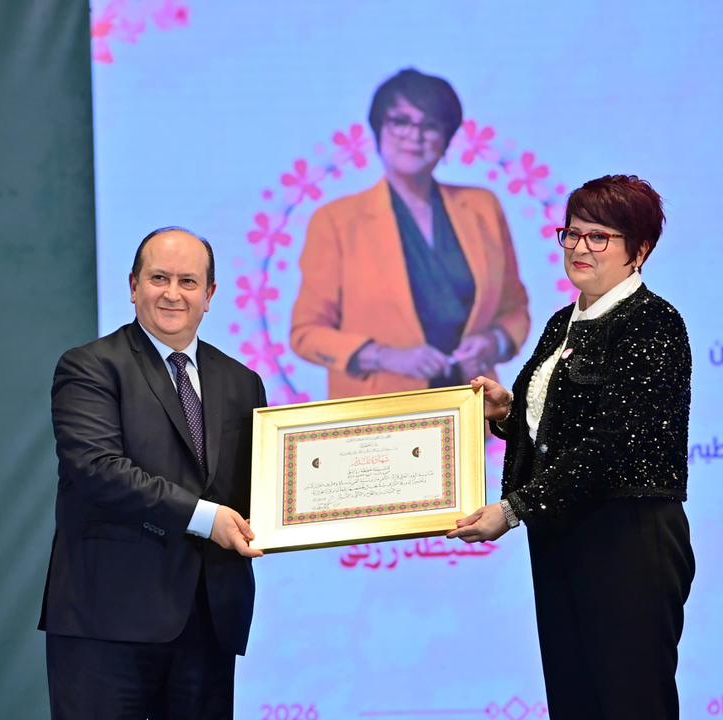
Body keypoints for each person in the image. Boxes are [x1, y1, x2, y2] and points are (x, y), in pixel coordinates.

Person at [448, 175, 694, 719]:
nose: (580, 247)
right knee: (574, 701)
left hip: (627, 540)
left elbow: (610, 445)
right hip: (563, 539)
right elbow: (559, 433)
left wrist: (513, 509)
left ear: (639, 251)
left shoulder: (653, 322)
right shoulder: (564, 322)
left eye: (599, 236)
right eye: (573, 233)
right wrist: (508, 414)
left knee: (629, 704)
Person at [39, 227, 267, 719]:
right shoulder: (90, 368)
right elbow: (98, 469)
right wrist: (205, 517)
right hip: (107, 622)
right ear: (133, 285)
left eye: (188, 282)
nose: (172, 294)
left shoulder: (242, 381)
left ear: (210, 295)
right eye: (159, 278)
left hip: (208, 624)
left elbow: (263, 486)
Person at [291, 68, 529, 399]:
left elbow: (515, 309)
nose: (414, 136)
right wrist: (384, 356)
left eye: (430, 125)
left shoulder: (483, 207)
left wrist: (494, 342)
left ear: (447, 139)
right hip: (378, 410)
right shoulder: (336, 221)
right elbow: (306, 333)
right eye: (400, 121)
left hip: (470, 403)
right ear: (378, 129)